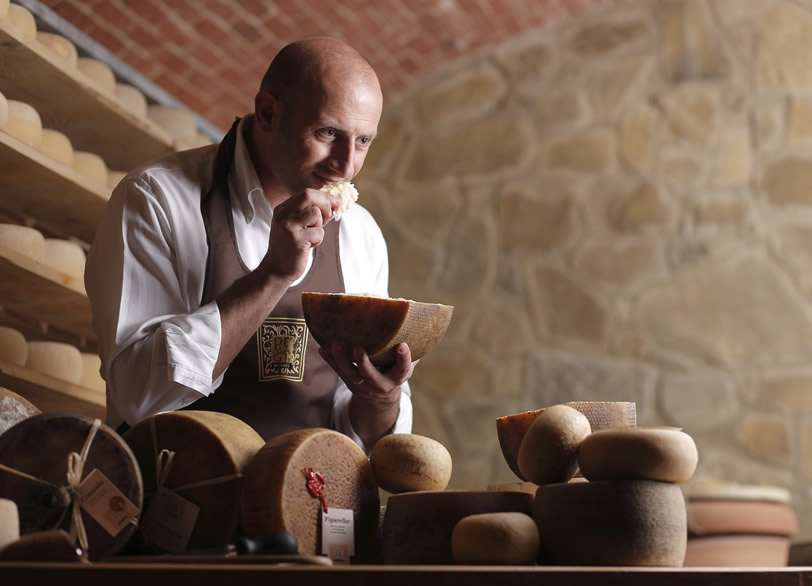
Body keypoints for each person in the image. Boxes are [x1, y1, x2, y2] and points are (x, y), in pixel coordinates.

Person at [84, 38, 415, 452]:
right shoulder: (158, 197)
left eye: (364, 141)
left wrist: (381, 397)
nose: (346, 165)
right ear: (268, 112)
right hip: (180, 498)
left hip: (309, 503)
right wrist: (273, 275)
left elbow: (363, 434)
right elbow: (140, 398)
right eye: (328, 133)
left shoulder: (360, 231)